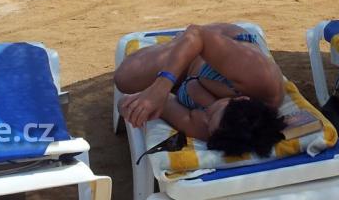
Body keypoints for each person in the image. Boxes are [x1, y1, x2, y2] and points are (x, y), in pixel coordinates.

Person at [115, 23, 286, 155]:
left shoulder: (217, 128)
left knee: (126, 78)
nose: (204, 114)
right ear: (242, 99)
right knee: (126, 77)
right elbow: (197, 33)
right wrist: (162, 85)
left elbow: (127, 103)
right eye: (213, 112)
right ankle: (179, 45)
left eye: (207, 121)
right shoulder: (257, 76)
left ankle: (179, 58)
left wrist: (132, 108)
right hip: (214, 47)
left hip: (194, 75)